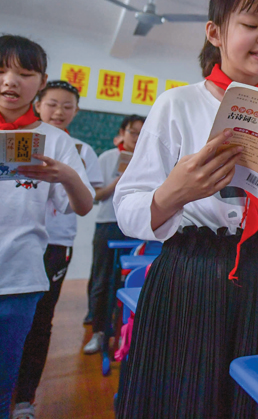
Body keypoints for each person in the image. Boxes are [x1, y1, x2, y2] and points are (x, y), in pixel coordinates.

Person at [113, 0, 258, 418]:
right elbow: (127, 205)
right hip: (193, 271)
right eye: (251, 26)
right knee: (185, 397)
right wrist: (173, 193)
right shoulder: (177, 104)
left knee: (253, 401)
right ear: (215, 32)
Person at [0, 35, 93, 419]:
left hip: (17, 282)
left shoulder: (56, 141)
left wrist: (65, 175)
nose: (10, 81)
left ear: (41, 80)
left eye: (24, 73)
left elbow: (82, 206)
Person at [13, 80, 103, 418]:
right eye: (52, 104)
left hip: (57, 242)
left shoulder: (79, 149)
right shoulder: (18, 143)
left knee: (40, 317)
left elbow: (87, 199)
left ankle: (25, 397)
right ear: (38, 104)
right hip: (18, 240)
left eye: (67, 106)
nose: (59, 112)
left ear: (76, 111)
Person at [83, 114, 145, 355]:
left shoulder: (149, 160)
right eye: (133, 132)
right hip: (109, 223)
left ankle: (126, 333)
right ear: (122, 132)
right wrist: (121, 181)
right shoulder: (108, 157)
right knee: (103, 280)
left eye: (142, 133)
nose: (137, 138)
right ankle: (99, 332)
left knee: (130, 281)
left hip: (137, 226)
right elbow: (95, 196)